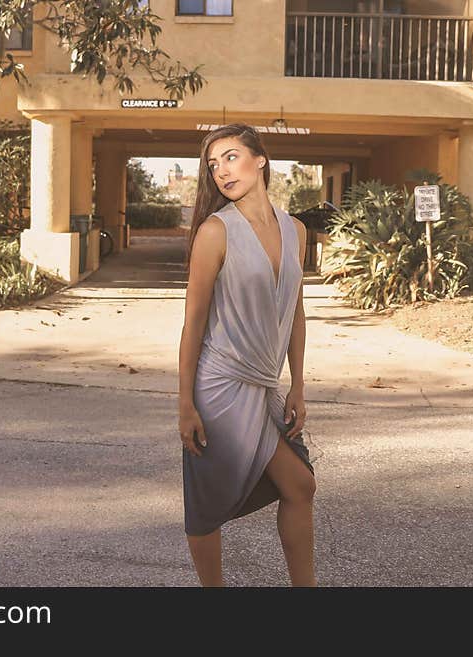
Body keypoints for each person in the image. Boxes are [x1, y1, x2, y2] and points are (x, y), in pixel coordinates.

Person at [178, 123, 318, 587]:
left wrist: (296, 384)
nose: (221, 171)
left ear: (260, 159)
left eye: (231, 157)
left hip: (264, 384)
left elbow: (295, 311)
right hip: (218, 385)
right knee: (208, 499)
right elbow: (193, 322)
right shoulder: (215, 232)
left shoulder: (295, 230)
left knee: (300, 485)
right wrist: (185, 404)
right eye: (213, 165)